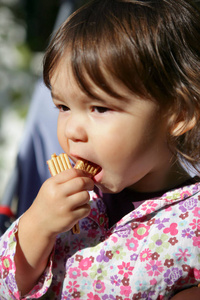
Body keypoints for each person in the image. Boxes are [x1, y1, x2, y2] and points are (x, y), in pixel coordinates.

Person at [1, 0, 200, 299]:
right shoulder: (59, 205)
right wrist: (36, 229)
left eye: (99, 108)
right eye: (63, 107)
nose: (71, 131)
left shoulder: (193, 223)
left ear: (178, 115)